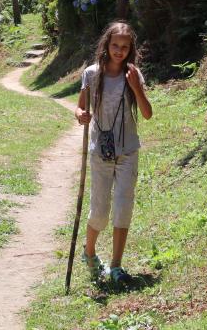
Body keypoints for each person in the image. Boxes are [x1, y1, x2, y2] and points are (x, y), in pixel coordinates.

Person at [75, 21, 153, 284]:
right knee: (100, 210)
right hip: (100, 152)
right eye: (115, 45)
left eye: (125, 46)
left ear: (130, 49)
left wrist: (136, 88)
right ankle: (89, 253)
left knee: (123, 207)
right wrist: (81, 115)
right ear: (106, 45)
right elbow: (80, 108)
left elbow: (147, 113)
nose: (119, 51)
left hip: (128, 150)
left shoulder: (133, 75)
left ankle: (116, 265)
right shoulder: (91, 74)